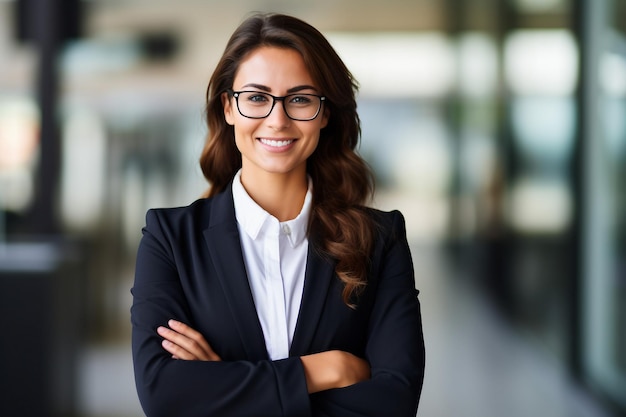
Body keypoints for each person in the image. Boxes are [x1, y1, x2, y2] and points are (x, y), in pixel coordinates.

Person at [131, 12, 425, 417]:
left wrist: (226, 385)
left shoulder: (380, 239)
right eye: (256, 97)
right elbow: (163, 395)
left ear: (324, 113)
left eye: (300, 98)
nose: (277, 119)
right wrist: (328, 369)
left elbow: (394, 403)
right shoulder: (170, 238)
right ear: (228, 108)